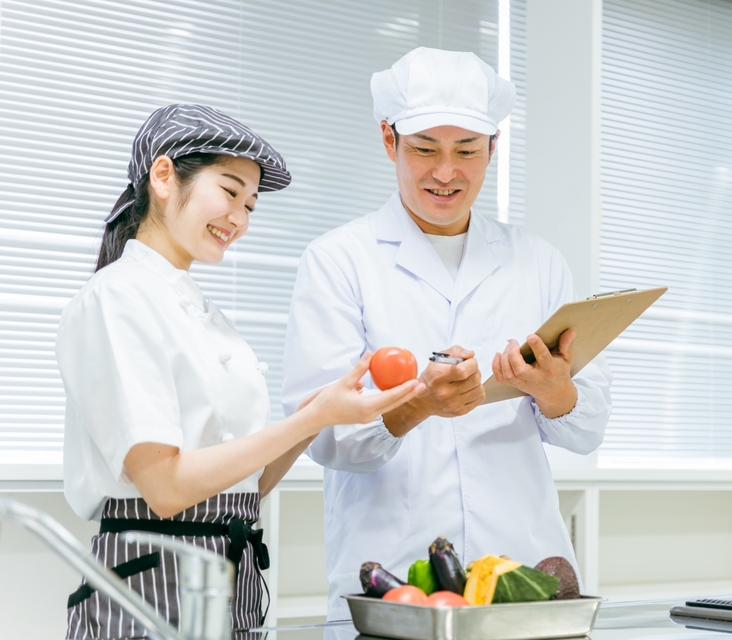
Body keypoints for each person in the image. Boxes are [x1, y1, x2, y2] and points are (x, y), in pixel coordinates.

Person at [56, 104, 423, 638]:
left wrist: (322, 412)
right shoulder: (114, 300)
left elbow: (249, 484)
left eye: (250, 205)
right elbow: (164, 486)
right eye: (229, 193)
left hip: (232, 571)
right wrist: (310, 417)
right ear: (163, 176)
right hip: (151, 581)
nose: (240, 219)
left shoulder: (205, 313)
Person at [282, 48, 612, 620]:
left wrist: (554, 390)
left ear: (493, 148)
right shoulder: (339, 260)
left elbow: (587, 430)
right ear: (389, 142)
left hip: (521, 571)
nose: (445, 172)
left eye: (466, 150)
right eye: (424, 149)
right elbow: (325, 438)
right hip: (393, 575)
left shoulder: (539, 263)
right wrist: (418, 407)